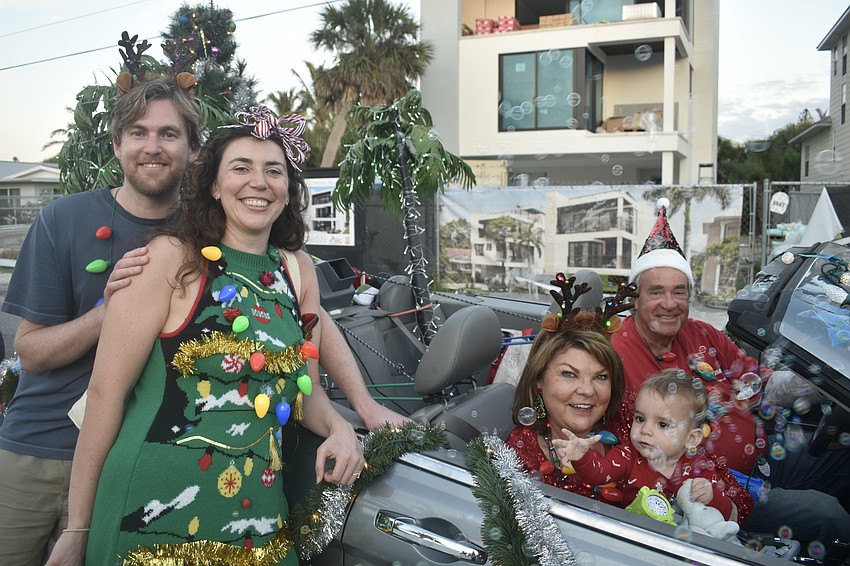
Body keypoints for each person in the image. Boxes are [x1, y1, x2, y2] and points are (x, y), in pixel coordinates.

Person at [46, 106, 365, 565]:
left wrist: (341, 427)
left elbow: (305, 394)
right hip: (148, 521)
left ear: (287, 191)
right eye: (241, 168)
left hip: (260, 523)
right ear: (214, 186)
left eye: (273, 171)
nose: (259, 182)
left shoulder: (298, 271)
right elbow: (105, 396)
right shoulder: (168, 259)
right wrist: (77, 528)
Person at [0, 76, 202, 566]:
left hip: (129, 464)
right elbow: (30, 352)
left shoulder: (206, 237)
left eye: (168, 134)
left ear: (194, 150)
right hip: (36, 451)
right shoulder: (62, 220)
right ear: (117, 146)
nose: (152, 147)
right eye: (138, 132)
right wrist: (109, 313)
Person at [611, 200, 850, 543]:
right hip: (714, 490)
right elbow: (639, 455)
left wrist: (822, 375)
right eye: (656, 292)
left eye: (679, 291)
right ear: (636, 298)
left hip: (767, 451)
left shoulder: (701, 332)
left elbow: (761, 383)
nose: (669, 303)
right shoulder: (616, 358)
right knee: (829, 516)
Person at [554, 369, 752, 523]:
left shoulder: (700, 467)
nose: (645, 430)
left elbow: (729, 518)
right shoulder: (627, 455)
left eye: (662, 424)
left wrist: (712, 497)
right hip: (641, 541)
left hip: (688, 549)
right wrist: (581, 456)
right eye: (640, 418)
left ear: (692, 439)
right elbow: (599, 474)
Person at [506, 273, 628, 499]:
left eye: (601, 377)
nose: (587, 391)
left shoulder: (630, 426)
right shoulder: (518, 454)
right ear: (539, 381)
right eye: (569, 374)